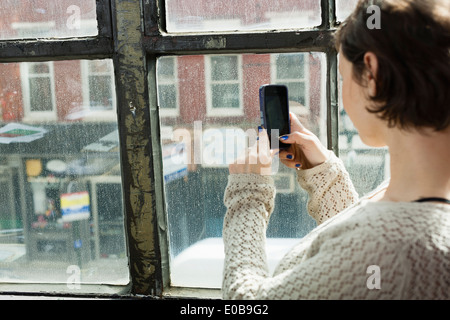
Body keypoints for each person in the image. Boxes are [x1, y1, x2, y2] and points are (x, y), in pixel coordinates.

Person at [222, 0, 450, 299]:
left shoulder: (391, 249)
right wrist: (325, 177)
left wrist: (247, 196)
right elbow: (356, 266)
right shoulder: (417, 198)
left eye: (343, 77)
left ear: (371, 74)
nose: (343, 94)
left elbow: (247, 302)